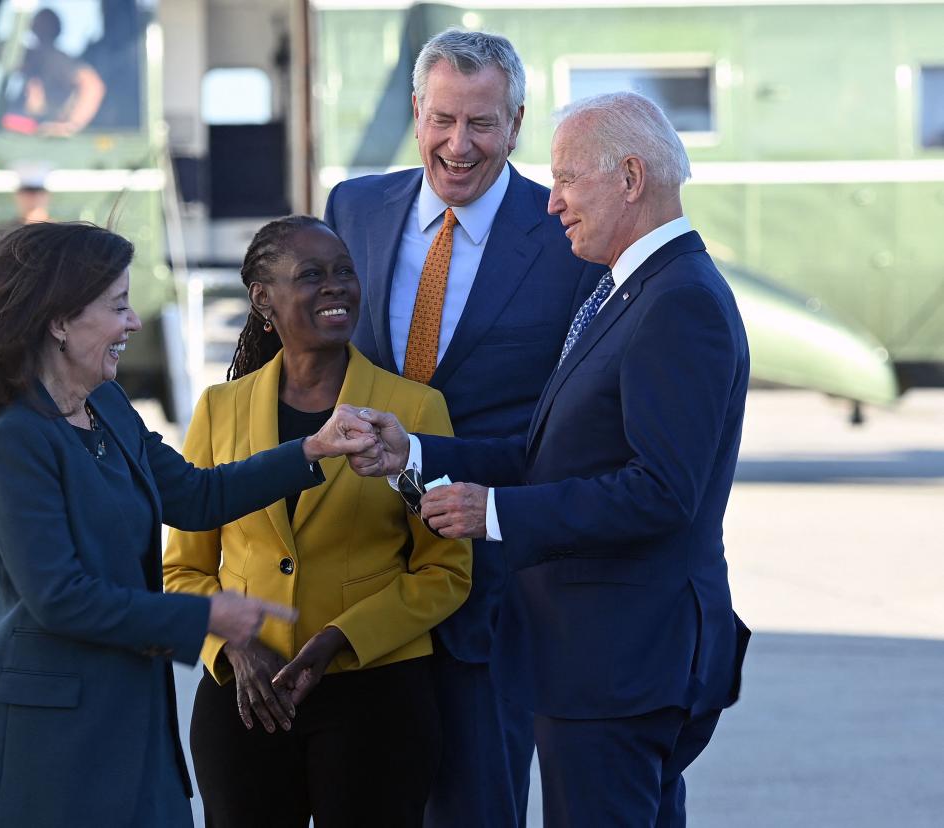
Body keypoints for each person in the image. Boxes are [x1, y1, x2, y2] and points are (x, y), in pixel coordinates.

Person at [346, 91, 752, 828]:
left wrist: (494, 513)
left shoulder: (677, 301)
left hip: (620, 665)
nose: (552, 201)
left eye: (568, 179)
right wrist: (414, 453)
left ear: (630, 178)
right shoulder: (629, 290)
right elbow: (552, 453)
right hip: (604, 660)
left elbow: (662, 491)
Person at [0, 221, 375, 828]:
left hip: (127, 713)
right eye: (117, 306)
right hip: (49, 738)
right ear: (59, 321)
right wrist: (206, 615)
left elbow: (194, 494)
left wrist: (311, 450)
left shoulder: (104, 405)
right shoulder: (15, 441)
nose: (133, 323)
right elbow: (59, 598)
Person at [323, 28, 603, 827]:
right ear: (416, 111)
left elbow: (570, 424)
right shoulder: (354, 207)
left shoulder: (565, 233)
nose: (458, 144)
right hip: (361, 570)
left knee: (478, 802)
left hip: (490, 588)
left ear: (516, 124)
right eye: (442, 118)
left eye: (482, 124)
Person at [162, 216, 471, 828]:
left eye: (344, 273)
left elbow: (445, 570)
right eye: (311, 275)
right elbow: (184, 570)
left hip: (376, 695)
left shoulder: (414, 408)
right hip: (247, 698)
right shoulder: (218, 411)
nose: (336, 287)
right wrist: (234, 647)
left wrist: (339, 640)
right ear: (263, 298)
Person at [10, 8, 105, 136]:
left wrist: (70, 126)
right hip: (30, 133)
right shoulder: (35, 60)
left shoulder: (56, 60)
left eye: (37, 26)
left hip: (49, 137)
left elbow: (92, 85)